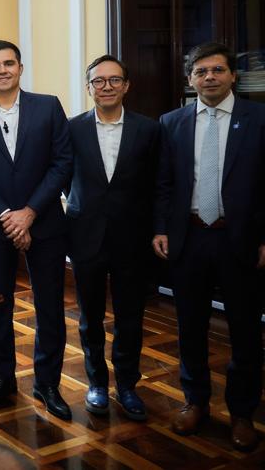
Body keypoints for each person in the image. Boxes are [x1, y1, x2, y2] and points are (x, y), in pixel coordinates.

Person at [153, 42, 264, 452]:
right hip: (191, 237)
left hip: (241, 239)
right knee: (190, 326)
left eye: (217, 70)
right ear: (190, 79)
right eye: (201, 71)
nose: (210, 77)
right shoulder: (172, 122)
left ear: (233, 75)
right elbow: (163, 183)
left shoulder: (259, 119)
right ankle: (195, 401)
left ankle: (242, 413)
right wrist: (160, 228)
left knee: (245, 330)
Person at [0, 40, 72, 420]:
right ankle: (3, 377)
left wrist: (30, 212)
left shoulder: (48, 106)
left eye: (9, 63)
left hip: (45, 222)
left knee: (50, 306)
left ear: (20, 68)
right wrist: (8, 214)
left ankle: (47, 383)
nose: (2, 70)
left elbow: (62, 163)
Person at [65, 55, 158, 421]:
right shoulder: (72, 129)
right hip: (85, 235)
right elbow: (61, 177)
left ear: (126, 85)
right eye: (98, 81)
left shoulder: (149, 129)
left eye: (114, 80)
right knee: (89, 317)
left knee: (130, 317)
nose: (106, 86)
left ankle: (128, 385)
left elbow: (158, 183)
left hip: (132, 238)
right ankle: (97, 384)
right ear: (89, 88)